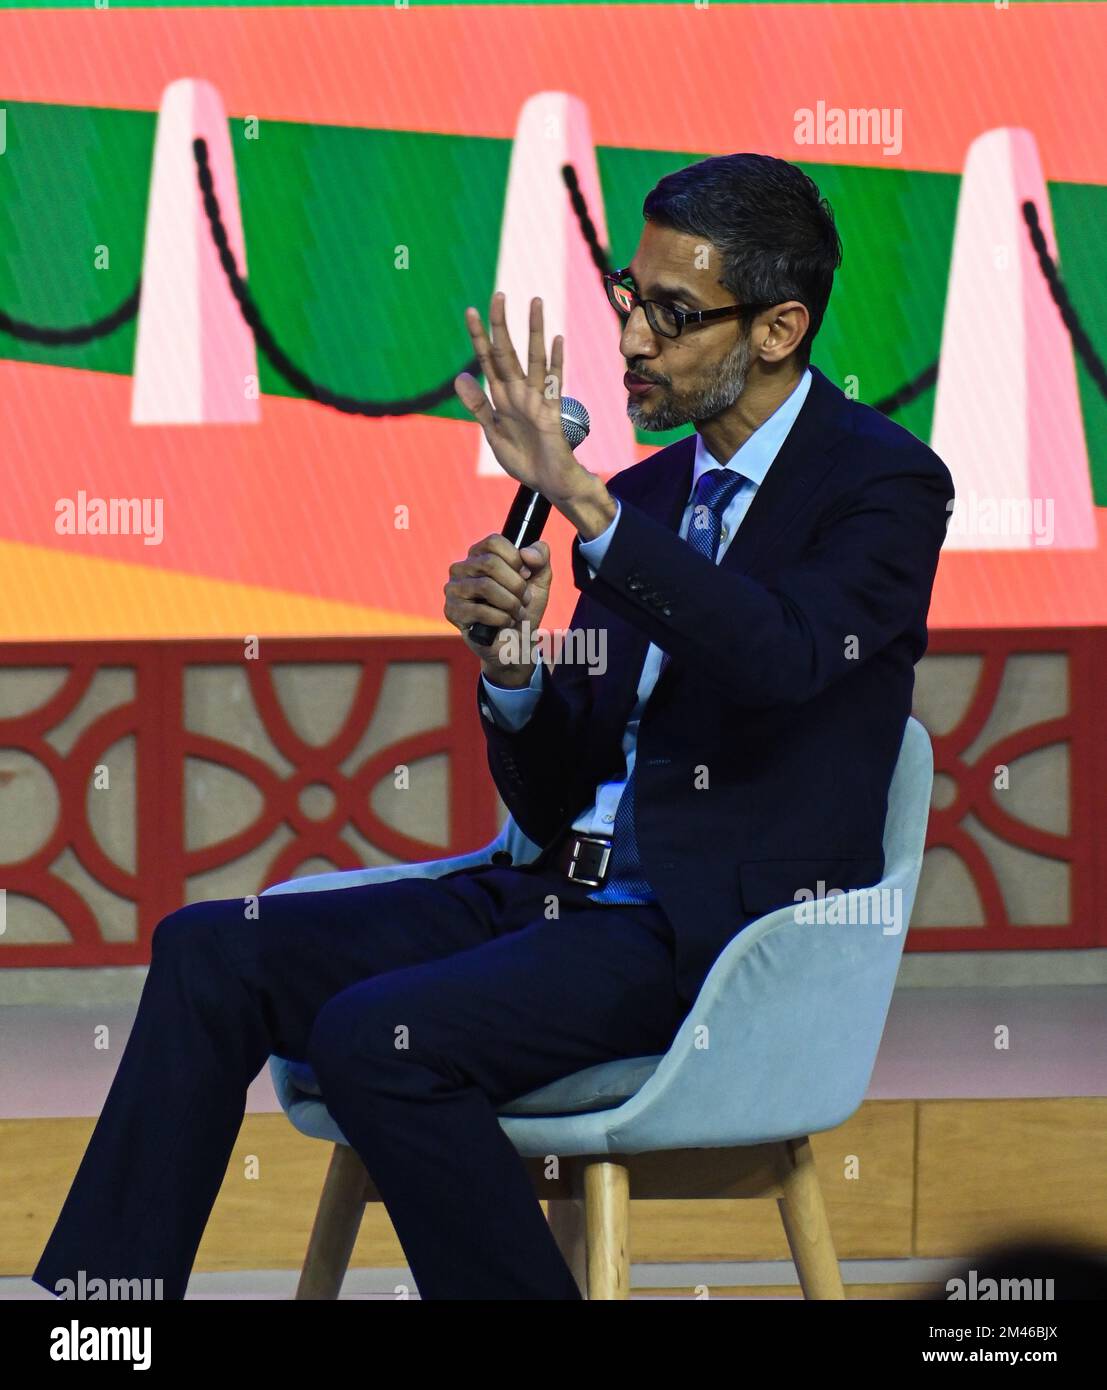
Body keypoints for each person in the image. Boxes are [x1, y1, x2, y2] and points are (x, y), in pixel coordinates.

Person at [33, 152, 953, 1302]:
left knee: (381, 1040)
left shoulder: (883, 486)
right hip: (553, 893)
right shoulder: (655, 500)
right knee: (209, 949)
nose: (631, 341)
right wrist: (515, 670)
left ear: (778, 329)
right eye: (631, 296)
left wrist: (586, 501)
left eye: (674, 315)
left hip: (704, 937)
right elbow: (560, 787)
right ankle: (97, 1324)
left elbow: (781, 657)